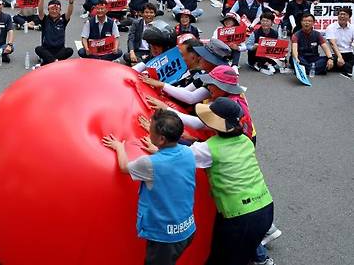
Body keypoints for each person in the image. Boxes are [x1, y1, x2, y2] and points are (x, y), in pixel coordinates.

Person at [102, 110, 195, 265]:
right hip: (187, 229)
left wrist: (119, 147)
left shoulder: (150, 164)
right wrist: (158, 149)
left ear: (161, 139)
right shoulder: (188, 152)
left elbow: (124, 167)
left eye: (150, 130)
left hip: (165, 238)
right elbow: (171, 164)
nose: (148, 131)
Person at [188, 98, 274, 265]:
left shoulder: (207, 148)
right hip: (265, 208)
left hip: (240, 217)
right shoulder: (245, 140)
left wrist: (158, 147)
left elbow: (177, 158)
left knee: (224, 259)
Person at [35, 0, 75, 66]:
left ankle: (47, 62)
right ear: (48, 10)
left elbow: (69, 12)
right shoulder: (45, 19)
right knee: (38, 49)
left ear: (60, 10)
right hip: (47, 49)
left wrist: (71, 2)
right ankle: (56, 62)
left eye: (56, 9)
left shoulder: (63, 19)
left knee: (69, 51)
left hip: (60, 49)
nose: (54, 11)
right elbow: (40, 10)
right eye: (52, 9)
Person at [325, 7, 354, 77]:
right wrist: (339, 57)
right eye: (340, 14)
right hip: (335, 53)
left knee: (348, 61)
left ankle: (344, 66)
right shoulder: (331, 27)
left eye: (345, 14)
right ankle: (346, 67)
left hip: (348, 53)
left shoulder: (352, 27)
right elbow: (332, 44)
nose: (342, 16)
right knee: (327, 65)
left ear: (349, 17)